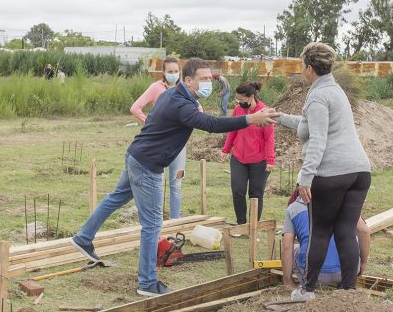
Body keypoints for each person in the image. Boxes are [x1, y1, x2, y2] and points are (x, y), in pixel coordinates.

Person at [72, 58, 279, 296]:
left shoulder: (174, 95)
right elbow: (210, 124)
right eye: (203, 79)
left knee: (115, 198)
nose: (208, 83)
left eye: (209, 78)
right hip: (147, 165)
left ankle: (83, 237)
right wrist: (251, 119)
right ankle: (147, 283)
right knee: (152, 224)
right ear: (188, 80)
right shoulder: (181, 103)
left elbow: (203, 118)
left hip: (136, 155)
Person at [275, 41, 371, 302]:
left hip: (332, 173)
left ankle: (306, 290)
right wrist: (280, 117)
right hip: (359, 172)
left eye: (301, 66)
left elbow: (318, 139)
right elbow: (309, 124)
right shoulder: (335, 91)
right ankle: (348, 291)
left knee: (320, 231)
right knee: (345, 231)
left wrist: (305, 178)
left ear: (309, 68)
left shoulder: (317, 96)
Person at [130, 56, 187, 218]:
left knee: (176, 184)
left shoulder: (184, 89)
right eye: (170, 71)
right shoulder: (156, 88)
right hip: (159, 143)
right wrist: (149, 123)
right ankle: (156, 220)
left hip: (178, 144)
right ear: (163, 72)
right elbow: (135, 108)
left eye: (176, 71)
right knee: (157, 184)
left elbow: (198, 110)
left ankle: (175, 221)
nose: (173, 74)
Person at [281, 187, 370, 290]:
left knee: (294, 248)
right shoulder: (344, 202)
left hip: (315, 275)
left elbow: (286, 247)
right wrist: (363, 263)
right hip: (346, 272)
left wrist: (287, 283)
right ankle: (344, 284)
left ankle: (307, 285)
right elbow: (364, 231)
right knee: (353, 241)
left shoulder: (293, 209)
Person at [220, 81, 275, 226]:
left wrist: (270, 160)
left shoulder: (264, 112)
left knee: (255, 194)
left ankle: (253, 226)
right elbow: (233, 130)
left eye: (241, 99)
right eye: (237, 99)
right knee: (238, 190)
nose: (239, 102)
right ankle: (241, 224)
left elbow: (269, 138)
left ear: (251, 97)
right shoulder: (238, 110)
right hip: (238, 158)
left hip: (259, 160)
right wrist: (225, 150)